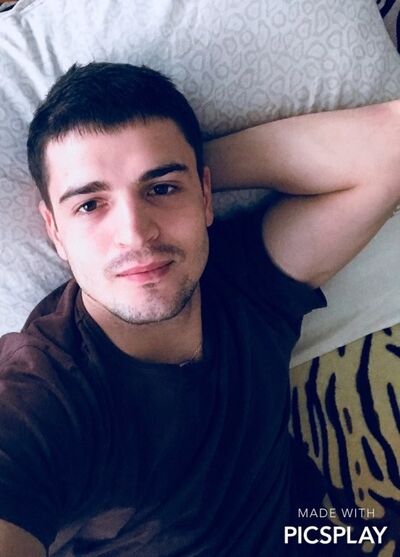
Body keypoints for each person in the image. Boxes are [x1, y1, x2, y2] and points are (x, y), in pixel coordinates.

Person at [0, 61, 399, 557]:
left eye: (161, 189)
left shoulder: (246, 280)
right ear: (54, 231)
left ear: (206, 195)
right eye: (89, 205)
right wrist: (172, 172)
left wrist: (191, 165)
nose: (135, 233)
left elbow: (391, 146)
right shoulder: (44, 391)